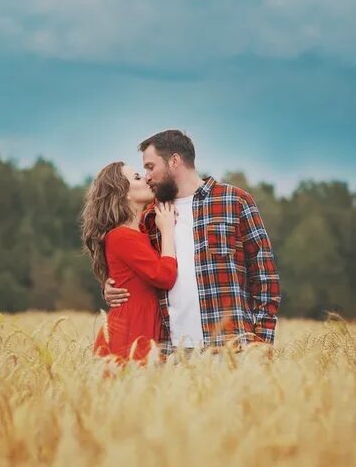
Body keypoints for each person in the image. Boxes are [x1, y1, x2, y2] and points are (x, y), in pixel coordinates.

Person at [104, 130, 281, 357]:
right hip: (170, 350)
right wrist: (110, 286)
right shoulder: (150, 216)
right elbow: (131, 263)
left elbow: (265, 275)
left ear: (174, 161)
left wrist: (262, 342)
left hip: (231, 346)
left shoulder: (234, 201)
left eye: (150, 166)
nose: (147, 176)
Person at [81, 161, 177, 363]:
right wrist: (167, 231)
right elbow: (165, 277)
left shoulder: (142, 230)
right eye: (136, 177)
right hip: (131, 332)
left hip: (142, 327)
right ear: (123, 193)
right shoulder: (121, 236)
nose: (146, 178)